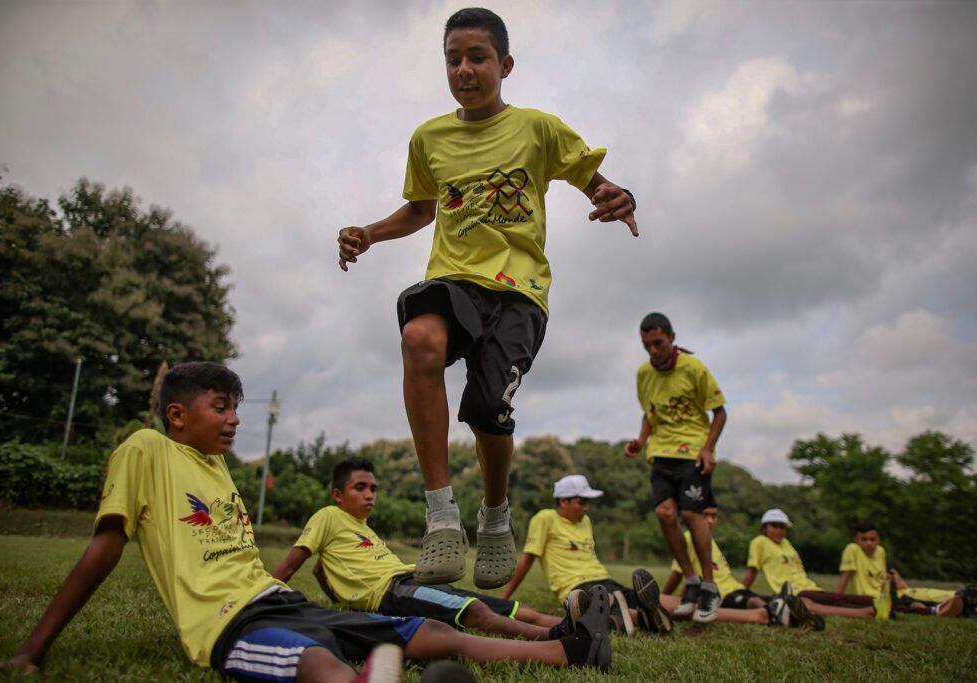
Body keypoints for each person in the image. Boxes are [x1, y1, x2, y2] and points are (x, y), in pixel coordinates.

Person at [0, 363, 614, 681]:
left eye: (237, 408)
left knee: (423, 634)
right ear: (176, 414)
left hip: (280, 601)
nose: (234, 419)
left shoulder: (216, 469)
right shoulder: (145, 450)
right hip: (229, 623)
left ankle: (568, 650)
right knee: (319, 666)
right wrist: (32, 651)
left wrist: (283, 586)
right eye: (221, 408)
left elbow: (266, 565)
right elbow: (105, 545)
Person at [337, 7, 638, 590]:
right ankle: (442, 516)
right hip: (455, 278)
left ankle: (495, 517)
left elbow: (592, 179)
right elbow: (423, 208)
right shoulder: (429, 138)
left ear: (505, 65)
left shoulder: (538, 128)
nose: (464, 69)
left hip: (521, 291)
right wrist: (371, 232)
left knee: (486, 412)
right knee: (418, 337)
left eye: (477, 57)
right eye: (453, 59)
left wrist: (618, 193)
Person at [271, 457, 568, 641]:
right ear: (338, 495)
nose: (369, 495)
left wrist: (339, 595)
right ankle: (559, 638)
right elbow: (292, 565)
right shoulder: (328, 516)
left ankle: (578, 623)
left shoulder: (363, 527)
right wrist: (266, 600)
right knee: (475, 610)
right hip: (391, 591)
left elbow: (321, 569)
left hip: (415, 578)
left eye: (373, 489)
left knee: (507, 607)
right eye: (360, 488)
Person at [623, 312, 726, 623]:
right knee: (664, 514)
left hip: (692, 453)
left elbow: (719, 412)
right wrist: (641, 441)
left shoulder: (693, 368)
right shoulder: (643, 374)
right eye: (646, 345)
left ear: (671, 337)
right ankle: (692, 582)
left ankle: (710, 587)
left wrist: (708, 449)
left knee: (694, 514)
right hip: (661, 453)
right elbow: (649, 414)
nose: (653, 351)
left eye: (658, 343)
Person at [502, 474, 682, 636]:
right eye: (581, 502)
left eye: (588, 503)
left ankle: (670, 609)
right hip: (577, 585)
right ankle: (642, 616)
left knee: (673, 604)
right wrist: (504, 599)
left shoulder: (585, 521)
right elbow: (527, 560)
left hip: (605, 579)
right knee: (608, 600)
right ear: (563, 501)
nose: (586, 508)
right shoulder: (544, 518)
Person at [744, 509, 967, 620]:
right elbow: (753, 570)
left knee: (849, 603)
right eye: (774, 526)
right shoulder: (759, 542)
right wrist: (742, 592)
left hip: (809, 587)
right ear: (764, 527)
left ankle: (914, 606)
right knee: (854, 601)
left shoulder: (787, 544)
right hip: (795, 590)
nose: (779, 530)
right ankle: (929, 609)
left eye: (782, 527)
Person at [664, 507, 825, 629]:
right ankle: (780, 614)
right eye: (705, 515)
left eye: (714, 516)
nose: (710, 520)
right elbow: (680, 574)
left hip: (735, 588)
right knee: (755, 601)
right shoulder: (688, 538)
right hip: (721, 593)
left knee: (771, 600)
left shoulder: (709, 541)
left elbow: (690, 577)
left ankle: (789, 613)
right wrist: (665, 596)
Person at [836, 522, 977, 617]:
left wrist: (894, 578)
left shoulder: (880, 551)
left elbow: (881, 576)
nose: (869, 543)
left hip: (895, 592)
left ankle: (962, 598)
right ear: (856, 540)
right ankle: (947, 606)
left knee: (925, 593)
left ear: (878, 539)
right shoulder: (852, 549)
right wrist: (837, 599)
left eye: (872, 539)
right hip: (875, 597)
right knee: (912, 602)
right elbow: (845, 576)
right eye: (864, 539)